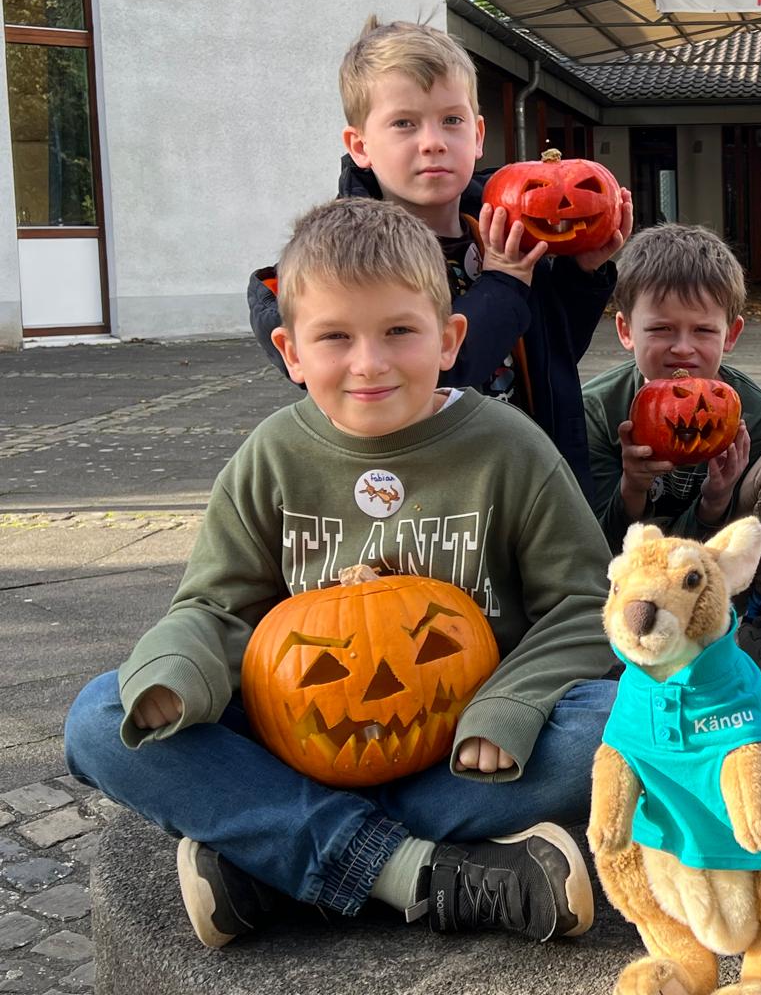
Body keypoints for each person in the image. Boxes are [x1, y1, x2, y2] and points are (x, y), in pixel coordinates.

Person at [65, 199, 618, 947]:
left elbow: (585, 606)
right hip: (302, 738)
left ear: (450, 338)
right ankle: (421, 872)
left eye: (399, 331)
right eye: (335, 338)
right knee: (103, 719)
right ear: (291, 352)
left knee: (619, 724)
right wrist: (177, 669)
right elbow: (218, 605)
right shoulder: (272, 457)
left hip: (473, 748)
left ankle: (275, 858)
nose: (370, 362)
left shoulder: (510, 449)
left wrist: (513, 704)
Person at [246, 16, 628, 496]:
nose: (433, 141)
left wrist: (581, 274)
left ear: (478, 134)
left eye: (452, 120)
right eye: (404, 123)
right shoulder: (334, 273)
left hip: (527, 484)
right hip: (427, 498)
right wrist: (505, 283)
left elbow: (552, 355)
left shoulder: (500, 236)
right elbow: (435, 375)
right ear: (360, 145)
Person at [583, 223, 761, 698]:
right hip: (624, 583)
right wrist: (631, 488)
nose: (682, 348)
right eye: (660, 329)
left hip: (711, 579)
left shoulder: (751, 415)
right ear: (625, 331)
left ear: (731, 333)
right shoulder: (595, 410)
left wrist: (716, 500)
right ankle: (635, 635)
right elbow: (594, 542)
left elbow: (741, 536)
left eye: (702, 330)